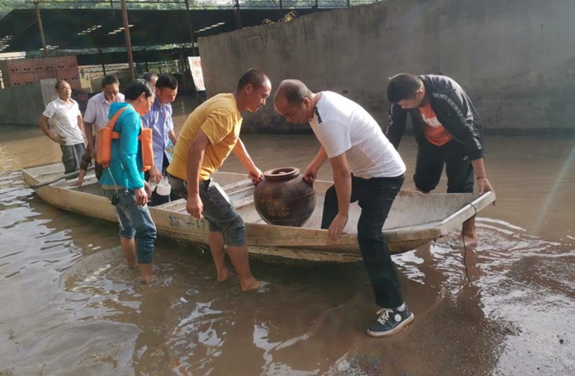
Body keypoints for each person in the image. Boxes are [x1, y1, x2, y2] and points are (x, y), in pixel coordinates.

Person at [274, 79, 413, 337]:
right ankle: (331, 256)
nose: (289, 120)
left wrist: (344, 213)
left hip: (385, 175)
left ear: (305, 101)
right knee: (330, 196)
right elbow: (332, 144)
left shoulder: (329, 118)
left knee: (369, 235)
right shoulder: (319, 104)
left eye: (290, 114)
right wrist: (315, 166)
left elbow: (342, 172)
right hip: (368, 172)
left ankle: (397, 308)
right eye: (284, 116)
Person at [166, 68, 271, 292]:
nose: (264, 102)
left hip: (183, 175)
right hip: (191, 178)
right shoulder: (226, 111)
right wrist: (193, 195)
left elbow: (233, 140)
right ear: (248, 89)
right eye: (263, 96)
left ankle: (222, 272)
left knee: (217, 221)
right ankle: (247, 281)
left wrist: (251, 167)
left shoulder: (229, 104)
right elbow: (196, 147)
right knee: (234, 224)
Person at [385, 73, 495, 247]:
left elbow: (468, 133)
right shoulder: (401, 101)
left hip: (458, 140)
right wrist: (380, 164)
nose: (402, 107)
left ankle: (469, 234)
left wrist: (482, 177)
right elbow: (393, 132)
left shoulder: (445, 93)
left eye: (405, 104)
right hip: (429, 139)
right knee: (422, 183)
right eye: (400, 104)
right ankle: (421, 226)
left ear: (419, 93)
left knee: (460, 188)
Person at [99, 81, 157, 283]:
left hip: (111, 183)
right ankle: (147, 280)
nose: (149, 108)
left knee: (127, 229)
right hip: (125, 186)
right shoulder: (131, 115)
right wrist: (138, 186)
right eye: (150, 102)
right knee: (148, 231)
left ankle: (132, 269)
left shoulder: (115, 113)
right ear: (142, 97)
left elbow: (120, 151)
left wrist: (141, 180)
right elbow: (128, 155)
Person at [76, 75, 125, 188]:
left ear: (119, 87)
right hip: (102, 141)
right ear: (102, 89)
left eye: (115, 92)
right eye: (108, 92)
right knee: (102, 168)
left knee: (120, 169)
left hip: (120, 141)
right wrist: (92, 147)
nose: (112, 95)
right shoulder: (94, 101)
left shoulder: (123, 99)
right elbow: (87, 124)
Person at [141, 73, 179, 205]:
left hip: (167, 154)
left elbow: (169, 131)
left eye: (175, 95)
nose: (172, 99)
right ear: (157, 90)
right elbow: (142, 139)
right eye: (169, 95)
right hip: (151, 158)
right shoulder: (147, 108)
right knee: (157, 197)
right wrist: (151, 166)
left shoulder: (167, 105)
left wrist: (180, 149)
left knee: (176, 190)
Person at [38, 80, 86, 176]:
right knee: (71, 168)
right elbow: (42, 121)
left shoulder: (74, 103)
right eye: (64, 89)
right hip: (67, 141)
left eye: (68, 88)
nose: (67, 91)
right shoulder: (53, 105)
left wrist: (82, 131)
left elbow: (79, 117)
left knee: (84, 165)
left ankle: (83, 184)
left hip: (79, 139)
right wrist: (53, 137)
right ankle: (70, 186)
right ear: (57, 91)